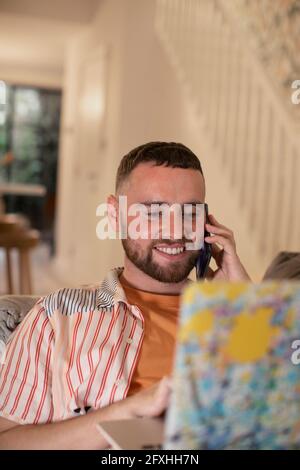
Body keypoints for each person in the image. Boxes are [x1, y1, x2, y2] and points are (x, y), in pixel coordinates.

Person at [0, 142, 250, 449]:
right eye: (154, 212)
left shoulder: (236, 316)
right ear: (115, 214)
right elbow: (7, 441)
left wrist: (247, 305)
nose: (174, 232)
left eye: (190, 213)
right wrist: (125, 412)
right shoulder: (56, 316)